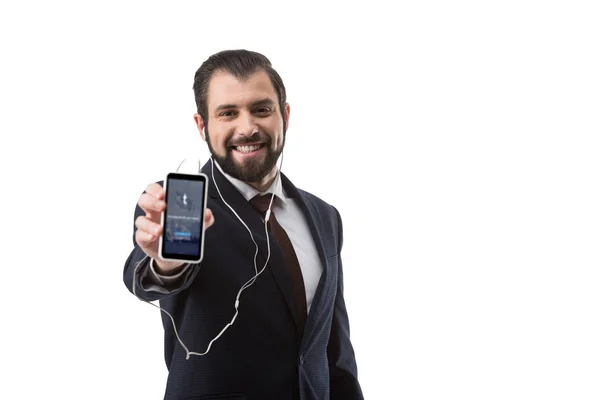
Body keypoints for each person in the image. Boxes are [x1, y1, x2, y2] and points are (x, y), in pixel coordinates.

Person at [123, 49, 364, 400]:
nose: (247, 127)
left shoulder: (324, 216)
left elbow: (334, 350)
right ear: (202, 126)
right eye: (228, 113)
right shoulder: (176, 206)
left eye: (261, 110)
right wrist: (166, 264)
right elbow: (151, 276)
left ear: (285, 116)